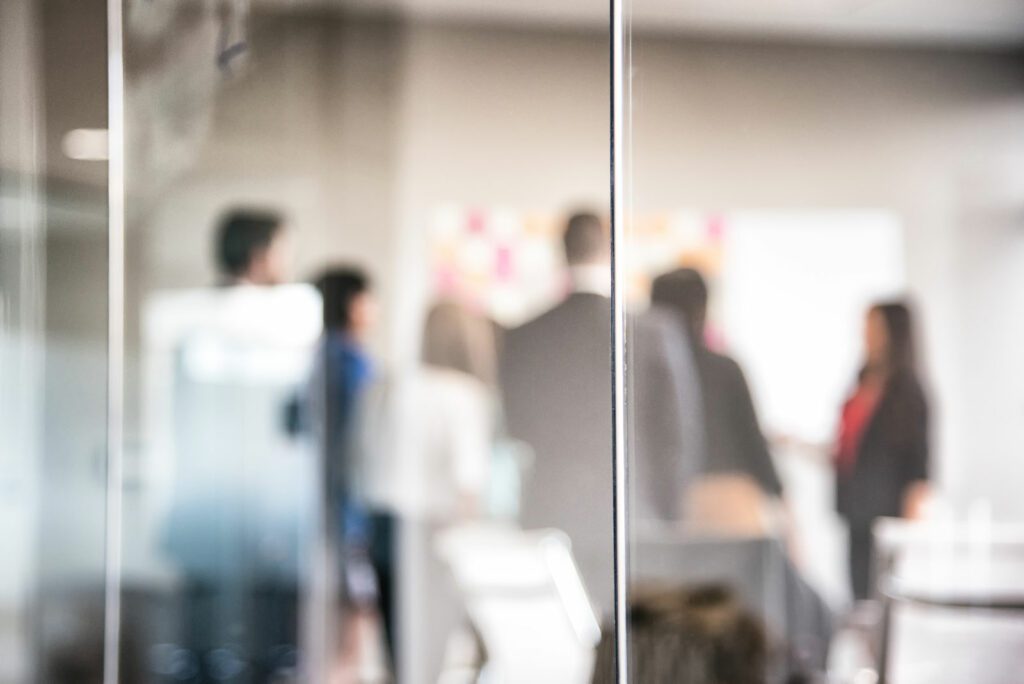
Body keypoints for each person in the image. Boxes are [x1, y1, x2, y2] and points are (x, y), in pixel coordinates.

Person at [501, 212, 703, 618]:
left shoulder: (524, 335)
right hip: (636, 514)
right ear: (609, 248)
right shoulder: (653, 331)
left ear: (562, 251)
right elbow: (678, 436)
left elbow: (516, 428)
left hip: (551, 511)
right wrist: (670, 514)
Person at [362, 300, 497, 683]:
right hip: (434, 531)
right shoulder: (465, 394)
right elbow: (468, 483)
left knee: (397, 654)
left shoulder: (392, 384)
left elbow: (367, 456)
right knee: (433, 654)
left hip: (384, 525)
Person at [650, 268, 784, 519]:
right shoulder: (725, 370)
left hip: (666, 509)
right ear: (702, 310)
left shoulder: (643, 375)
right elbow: (754, 444)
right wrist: (783, 503)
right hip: (726, 506)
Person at [835, 301, 930, 600]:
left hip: (888, 519)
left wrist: (909, 535)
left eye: (873, 327)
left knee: (885, 597)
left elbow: (920, 469)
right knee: (859, 595)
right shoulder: (861, 383)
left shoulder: (909, 393)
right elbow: (848, 448)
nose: (865, 334)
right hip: (856, 513)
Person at [215, 208, 289, 286]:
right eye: (281, 251)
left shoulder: (214, 292)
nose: (286, 262)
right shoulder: (252, 296)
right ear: (259, 256)